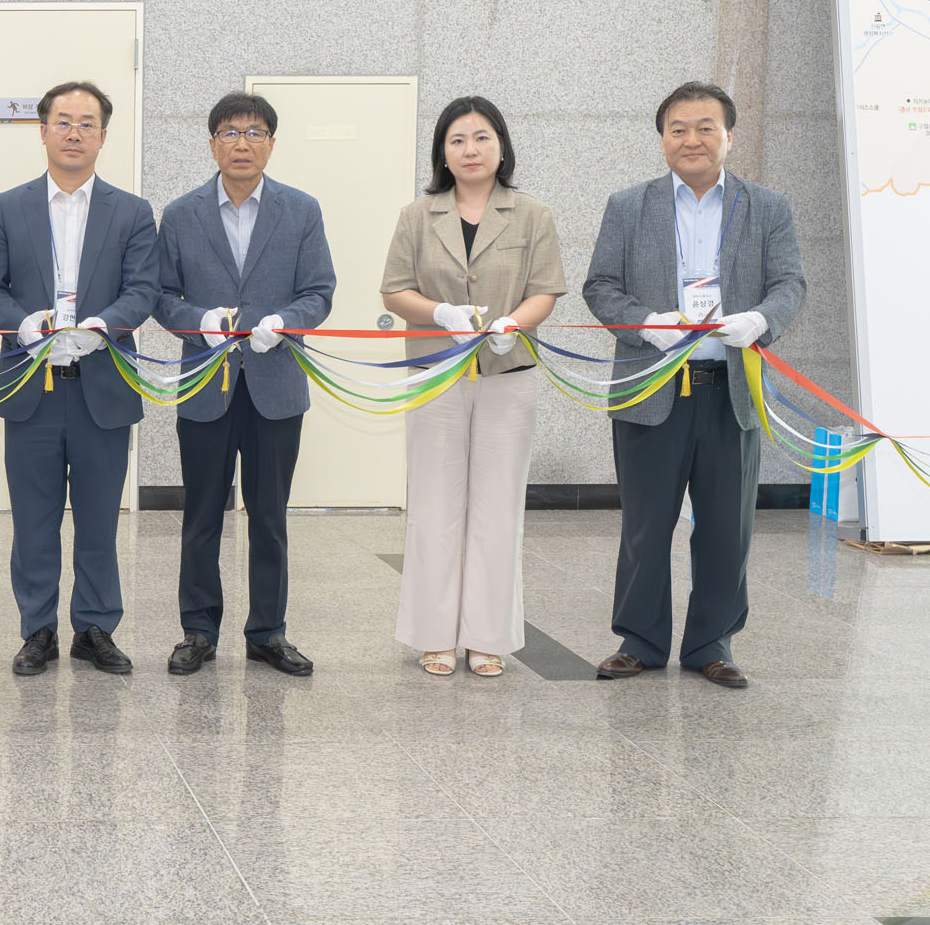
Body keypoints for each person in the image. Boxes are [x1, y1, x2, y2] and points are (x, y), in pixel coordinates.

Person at [584, 81, 804, 689]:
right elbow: (600, 285)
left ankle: (712, 643)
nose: (692, 139)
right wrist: (646, 324)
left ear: (729, 136)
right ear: (662, 139)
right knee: (646, 524)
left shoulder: (767, 207)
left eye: (706, 127)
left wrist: (760, 320)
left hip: (729, 390)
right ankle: (640, 641)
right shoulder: (629, 206)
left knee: (727, 526)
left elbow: (790, 284)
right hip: (650, 386)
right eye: (678, 128)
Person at [0, 82, 158, 675]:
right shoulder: (8, 206)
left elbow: (143, 289)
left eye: (87, 123)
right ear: (43, 130)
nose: (74, 133)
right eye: (63, 121)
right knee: (34, 520)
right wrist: (21, 324)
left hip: (104, 385)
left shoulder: (132, 212)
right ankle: (38, 630)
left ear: (103, 135)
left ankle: (95, 628)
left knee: (100, 520)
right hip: (33, 387)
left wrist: (107, 324)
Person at [381, 97, 566, 678]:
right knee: (434, 504)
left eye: (482, 137)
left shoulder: (532, 214)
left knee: (497, 507)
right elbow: (394, 290)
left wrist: (515, 324)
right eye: (457, 139)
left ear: (502, 147)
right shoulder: (418, 215)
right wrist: (439, 313)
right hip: (435, 374)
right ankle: (434, 634)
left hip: (508, 375)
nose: (470, 150)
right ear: (442, 151)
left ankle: (488, 637)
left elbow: (545, 289)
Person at [152, 91, 335, 677]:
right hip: (205, 386)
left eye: (255, 132)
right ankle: (198, 631)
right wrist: (197, 321)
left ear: (271, 144)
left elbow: (320, 292)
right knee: (202, 515)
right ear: (212, 144)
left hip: (275, 387)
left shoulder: (300, 210)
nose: (242, 143)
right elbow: (160, 295)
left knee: (270, 517)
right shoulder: (181, 213)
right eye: (230, 132)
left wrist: (287, 322)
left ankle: (268, 633)